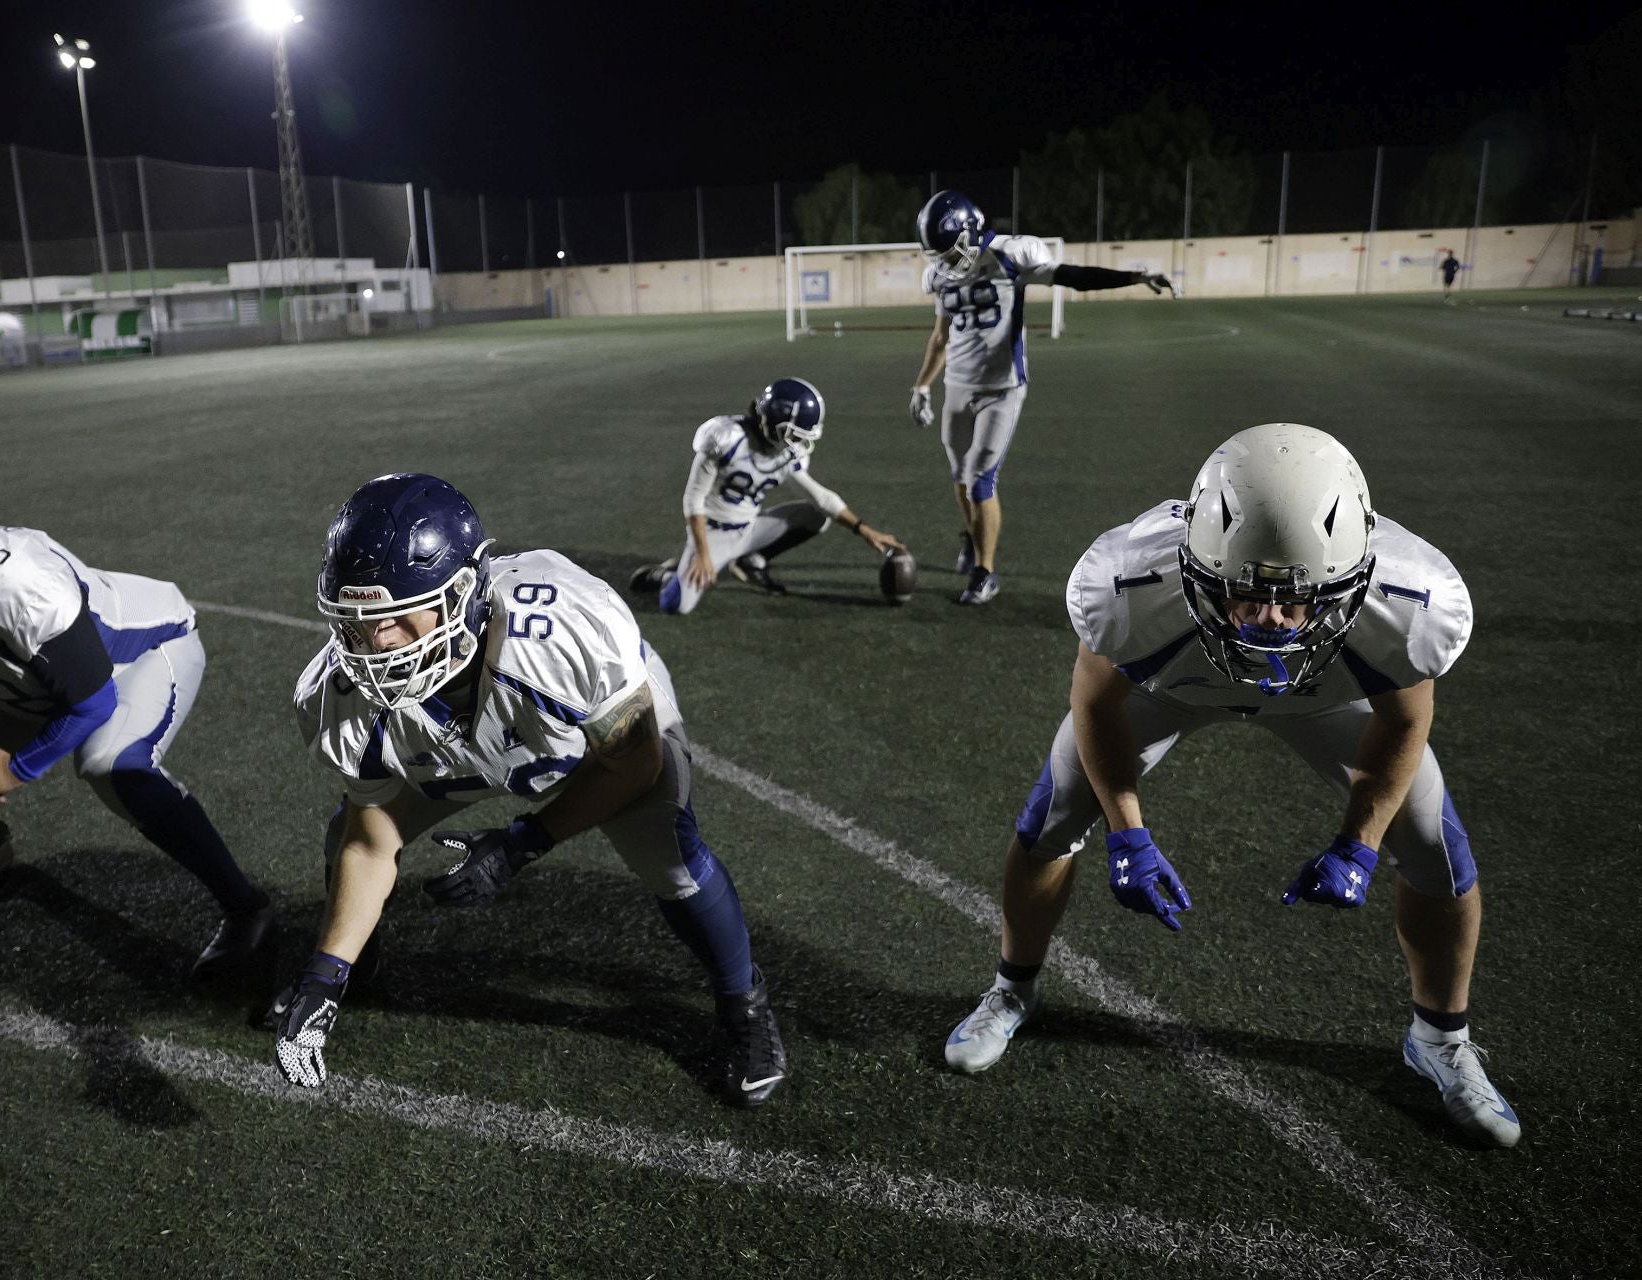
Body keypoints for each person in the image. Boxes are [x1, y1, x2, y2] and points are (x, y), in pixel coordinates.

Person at [942, 423, 1520, 1148]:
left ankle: (1440, 1040)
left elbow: (1405, 725)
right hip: (1177, 685)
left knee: (1436, 847)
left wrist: (1359, 843)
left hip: (1328, 696)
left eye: (1297, 601)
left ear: (1354, 577)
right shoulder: (1132, 586)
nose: (1269, 624)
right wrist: (1130, 833)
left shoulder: (1408, 602)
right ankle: (1011, 990)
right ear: (1194, 566)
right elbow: (1093, 706)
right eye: (1243, 597)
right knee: (1051, 817)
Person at [274, 473, 788, 1106]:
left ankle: (745, 1007)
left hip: (583, 740)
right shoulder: (336, 692)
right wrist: (323, 978)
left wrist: (524, 842)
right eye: (356, 622)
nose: (374, 647)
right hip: (449, 749)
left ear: (462, 593)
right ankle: (357, 969)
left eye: (394, 619)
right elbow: (371, 845)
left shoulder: (561, 633)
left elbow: (633, 763)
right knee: (342, 836)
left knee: (670, 857)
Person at [0, 434, 274, 980]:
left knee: (111, 764)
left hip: (135, 658)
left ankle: (246, 906)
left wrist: (13, 768)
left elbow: (93, 700)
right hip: (32, 679)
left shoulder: (16, 584)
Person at [908, 189, 1178, 605]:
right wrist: (922, 385)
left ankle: (986, 572)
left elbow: (1072, 275)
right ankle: (973, 536)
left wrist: (1134, 277)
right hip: (958, 386)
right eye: (937, 256)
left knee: (980, 478)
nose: (943, 263)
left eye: (948, 252)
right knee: (960, 478)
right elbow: (940, 337)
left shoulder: (1010, 257)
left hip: (1002, 387)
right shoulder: (940, 276)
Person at [629, 377, 904, 613]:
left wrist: (864, 529)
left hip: (749, 528)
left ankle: (752, 561)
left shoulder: (785, 453)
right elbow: (693, 500)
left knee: (817, 515)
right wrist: (702, 553)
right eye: (794, 433)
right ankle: (666, 575)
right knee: (676, 605)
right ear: (774, 423)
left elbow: (821, 498)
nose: (800, 443)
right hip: (713, 534)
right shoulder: (726, 439)